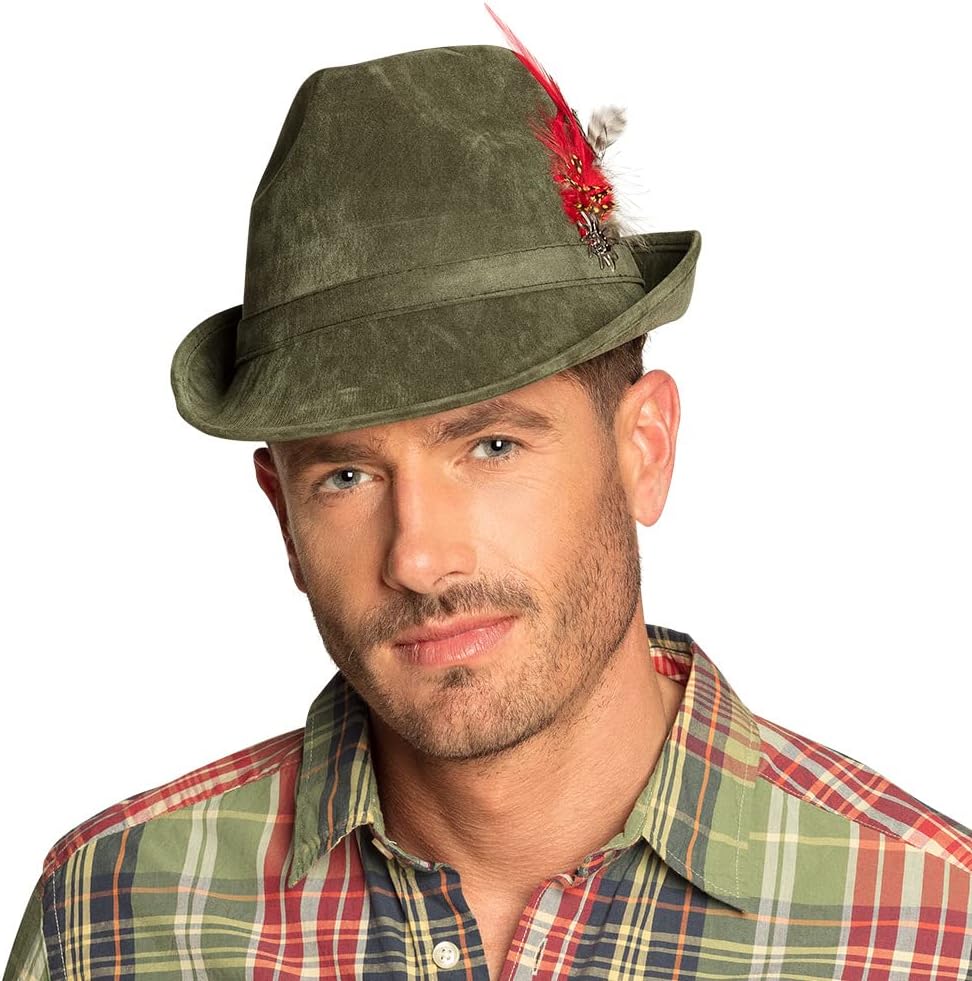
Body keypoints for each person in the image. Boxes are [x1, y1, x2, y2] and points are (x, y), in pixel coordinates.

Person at [5, 14, 972, 981]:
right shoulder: (114, 919)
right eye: (346, 475)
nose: (419, 557)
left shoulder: (927, 929)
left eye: (492, 445)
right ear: (282, 516)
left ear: (644, 448)